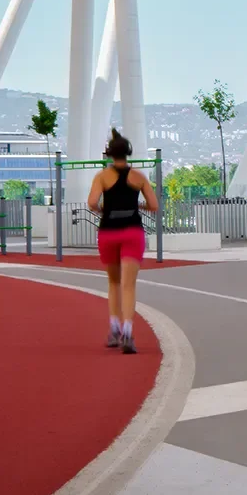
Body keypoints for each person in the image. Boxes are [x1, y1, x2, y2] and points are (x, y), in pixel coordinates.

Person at [88, 130, 157, 352]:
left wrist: (104, 211)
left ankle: (114, 328)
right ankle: (128, 332)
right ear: (128, 153)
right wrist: (138, 206)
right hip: (132, 232)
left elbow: (91, 203)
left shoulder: (101, 177)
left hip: (108, 232)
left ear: (109, 154)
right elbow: (154, 205)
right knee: (129, 285)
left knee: (113, 283)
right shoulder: (138, 177)